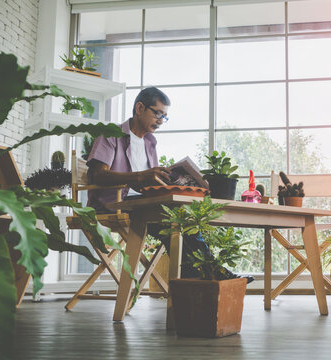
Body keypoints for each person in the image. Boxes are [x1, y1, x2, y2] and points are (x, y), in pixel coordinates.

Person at [86, 87, 252, 282]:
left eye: (165, 117)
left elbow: (147, 181)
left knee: (186, 218)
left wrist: (168, 179)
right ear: (139, 108)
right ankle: (207, 274)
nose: (161, 121)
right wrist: (140, 176)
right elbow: (97, 176)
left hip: (144, 205)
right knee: (173, 218)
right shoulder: (110, 134)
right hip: (114, 206)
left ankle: (199, 277)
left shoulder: (150, 142)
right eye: (157, 113)